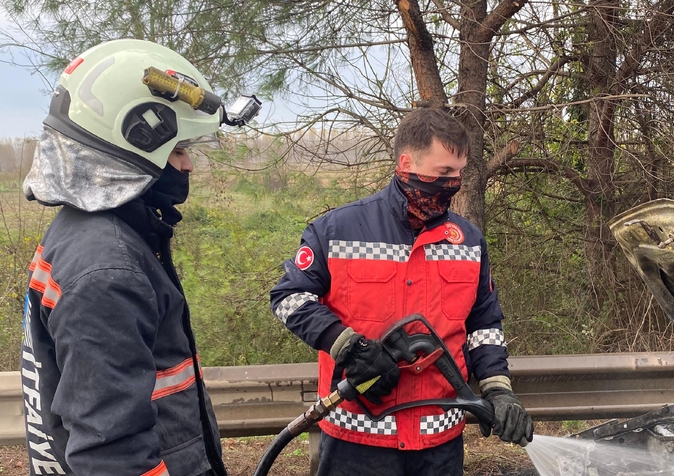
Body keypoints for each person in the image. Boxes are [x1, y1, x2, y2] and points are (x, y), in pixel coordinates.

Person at [270, 107, 534, 475]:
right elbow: (288, 298)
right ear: (407, 162)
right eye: (444, 173)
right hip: (356, 443)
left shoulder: (469, 242)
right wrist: (348, 346)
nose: (453, 183)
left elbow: (483, 324)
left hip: (439, 444)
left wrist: (498, 389)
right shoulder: (336, 230)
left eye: (459, 173)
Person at [20, 39, 230, 476]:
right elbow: (110, 455)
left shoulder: (82, 228)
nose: (188, 165)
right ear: (134, 140)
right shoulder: (107, 269)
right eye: (178, 150)